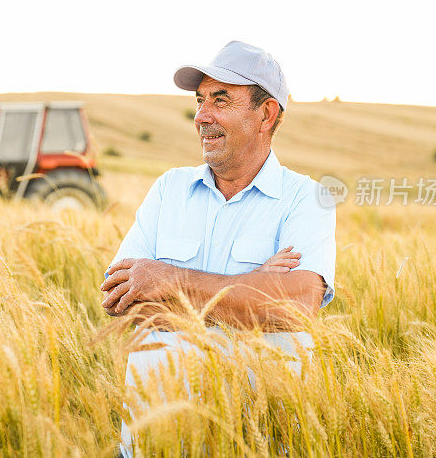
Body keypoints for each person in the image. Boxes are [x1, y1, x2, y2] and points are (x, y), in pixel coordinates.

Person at [100, 40, 336, 457]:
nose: (201, 116)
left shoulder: (307, 198)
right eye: (200, 100)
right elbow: (121, 300)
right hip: (154, 441)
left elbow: (296, 306)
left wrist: (168, 280)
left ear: (266, 114)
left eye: (221, 100)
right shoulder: (168, 189)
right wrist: (255, 286)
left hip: (256, 443)